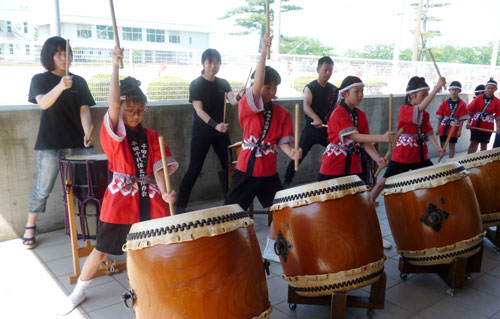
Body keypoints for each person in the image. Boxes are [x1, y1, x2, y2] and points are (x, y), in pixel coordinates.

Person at [61, 46, 178, 315]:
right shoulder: (115, 133)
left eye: (140, 111)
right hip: (121, 199)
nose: (135, 115)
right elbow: (113, 104)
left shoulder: (152, 136)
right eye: (130, 110)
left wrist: (166, 192)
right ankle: (78, 291)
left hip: (149, 198)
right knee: (101, 250)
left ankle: (152, 287)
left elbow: (158, 170)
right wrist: (114, 66)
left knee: (154, 246)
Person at [223, 34, 301, 262]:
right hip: (248, 167)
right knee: (230, 209)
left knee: (280, 207)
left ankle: (271, 246)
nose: (271, 91)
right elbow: (255, 86)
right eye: (267, 86)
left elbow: (282, 143)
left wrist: (292, 153)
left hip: (268, 170)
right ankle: (224, 247)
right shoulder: (248, 106)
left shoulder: (282, 113)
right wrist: (264, 50)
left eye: (274, 87)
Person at [23, 36, 95, 249]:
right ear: (50, 56)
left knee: (87, 186)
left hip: (78, 143)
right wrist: (61, 87)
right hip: (50, 143)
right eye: (59, 54)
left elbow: (84, 110)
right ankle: (30, 226)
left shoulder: (79, 81)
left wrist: (87, 133)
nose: (65, 57)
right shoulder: (40, 79)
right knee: (43, 188)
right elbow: (44, 104)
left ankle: (88, 225)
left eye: (67, 53)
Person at [318, 76, 394, 249]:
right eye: (357, 92)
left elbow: (364, 142)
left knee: (358, 204)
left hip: (354, 165)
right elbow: (353, 136)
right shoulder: (338, 113)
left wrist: (378, 158)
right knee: (330, 204)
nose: (361, 95)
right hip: (334, 165)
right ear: (345, 93)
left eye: (362, 91)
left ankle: (364, 234)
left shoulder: (360, 115)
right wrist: (381, 137)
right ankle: (328, 239)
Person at [175, 48, 243, 213]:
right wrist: (216, 125)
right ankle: (180, 204)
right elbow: (199, 110)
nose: (213, 65)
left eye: (216, 62)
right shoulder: (196, 84)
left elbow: (233, 101)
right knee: (195, 167)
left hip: (221, 132)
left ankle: (230, 200)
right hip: (202, 132)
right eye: (210, 62)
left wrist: (241, 94)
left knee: (227, 166)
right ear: (203, 64)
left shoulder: (223, 83)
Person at [370, 76, 446, 202]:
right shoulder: (404, 110)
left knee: (434, 178)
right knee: (383, 182)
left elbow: (428, 131)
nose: (426, 98)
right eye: (423, 95)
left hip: (420, 155)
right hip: (404, 155)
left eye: (427, 95)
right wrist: (436, 87)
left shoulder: (425, 114)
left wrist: (438, 148)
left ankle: (435, 204)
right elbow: (420, 108)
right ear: (411, 95)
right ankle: (368, 204)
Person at [283, 56, 338, 187]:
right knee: (298, 155)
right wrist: (315, 117)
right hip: (311, 128)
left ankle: (331, 180)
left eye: (330, 70)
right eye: (325, 70)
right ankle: (286, 182)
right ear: (318, 69)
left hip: (326, 129)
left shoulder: (334, 90)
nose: (328, 73)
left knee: (337, 149)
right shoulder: (310, 87)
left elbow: (336, 109)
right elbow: (306, 106)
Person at [435, 81, 469, 158]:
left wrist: (459, 130)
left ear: (459, 91)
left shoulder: (462, 104)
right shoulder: (445, 102)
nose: (454, 92)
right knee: (442, 143)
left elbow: (461, 119)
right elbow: (440, 115)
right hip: (444, 125)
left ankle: (451, 160)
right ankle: (442, 158)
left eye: (456, 90)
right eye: (452, 89)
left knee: (451, 144)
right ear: (449, 90)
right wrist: (438, 127)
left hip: (454, 126)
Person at [466, 78, 500, 153]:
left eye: (492, 88)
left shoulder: (497, 101)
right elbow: (470, 111)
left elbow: (498, 117)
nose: (490, 90)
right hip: (476, 124)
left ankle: (483, 163)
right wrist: (468, 122)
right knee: (473, 143)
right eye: (488, 88)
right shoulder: (478, 98)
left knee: (484, 145)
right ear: (485, 88)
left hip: (488, 125)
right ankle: (468, 161)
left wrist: (498, 127)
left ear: (495, 89)